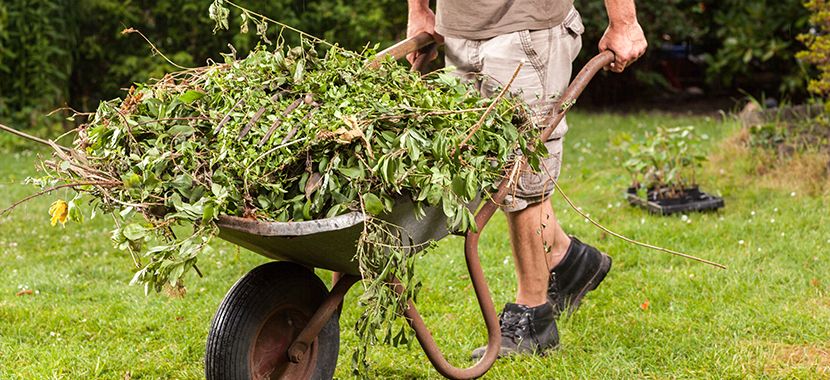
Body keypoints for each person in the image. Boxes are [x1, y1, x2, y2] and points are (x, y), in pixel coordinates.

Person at [406, 0, 648, 358]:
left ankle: (534, 317)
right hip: (459, 29)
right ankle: (568, 259)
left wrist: (624, 21)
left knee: (524, 175)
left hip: (528, 28)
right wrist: (419, 10)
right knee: (495, 172)